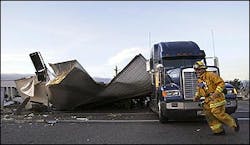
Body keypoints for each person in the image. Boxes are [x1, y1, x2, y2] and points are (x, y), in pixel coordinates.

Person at [193, 61, 240, 135]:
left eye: (199, 69)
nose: (197, 71)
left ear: (203, 69)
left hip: (217, 98)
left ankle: (233, 122)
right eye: (196, 70)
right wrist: (196, 97)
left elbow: (221, 83)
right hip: (207, 99)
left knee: (217, 112)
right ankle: (218, 131)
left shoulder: (211, 75)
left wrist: (215, 94)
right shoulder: (200, 79)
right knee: (209, 115)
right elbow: (199, 90)